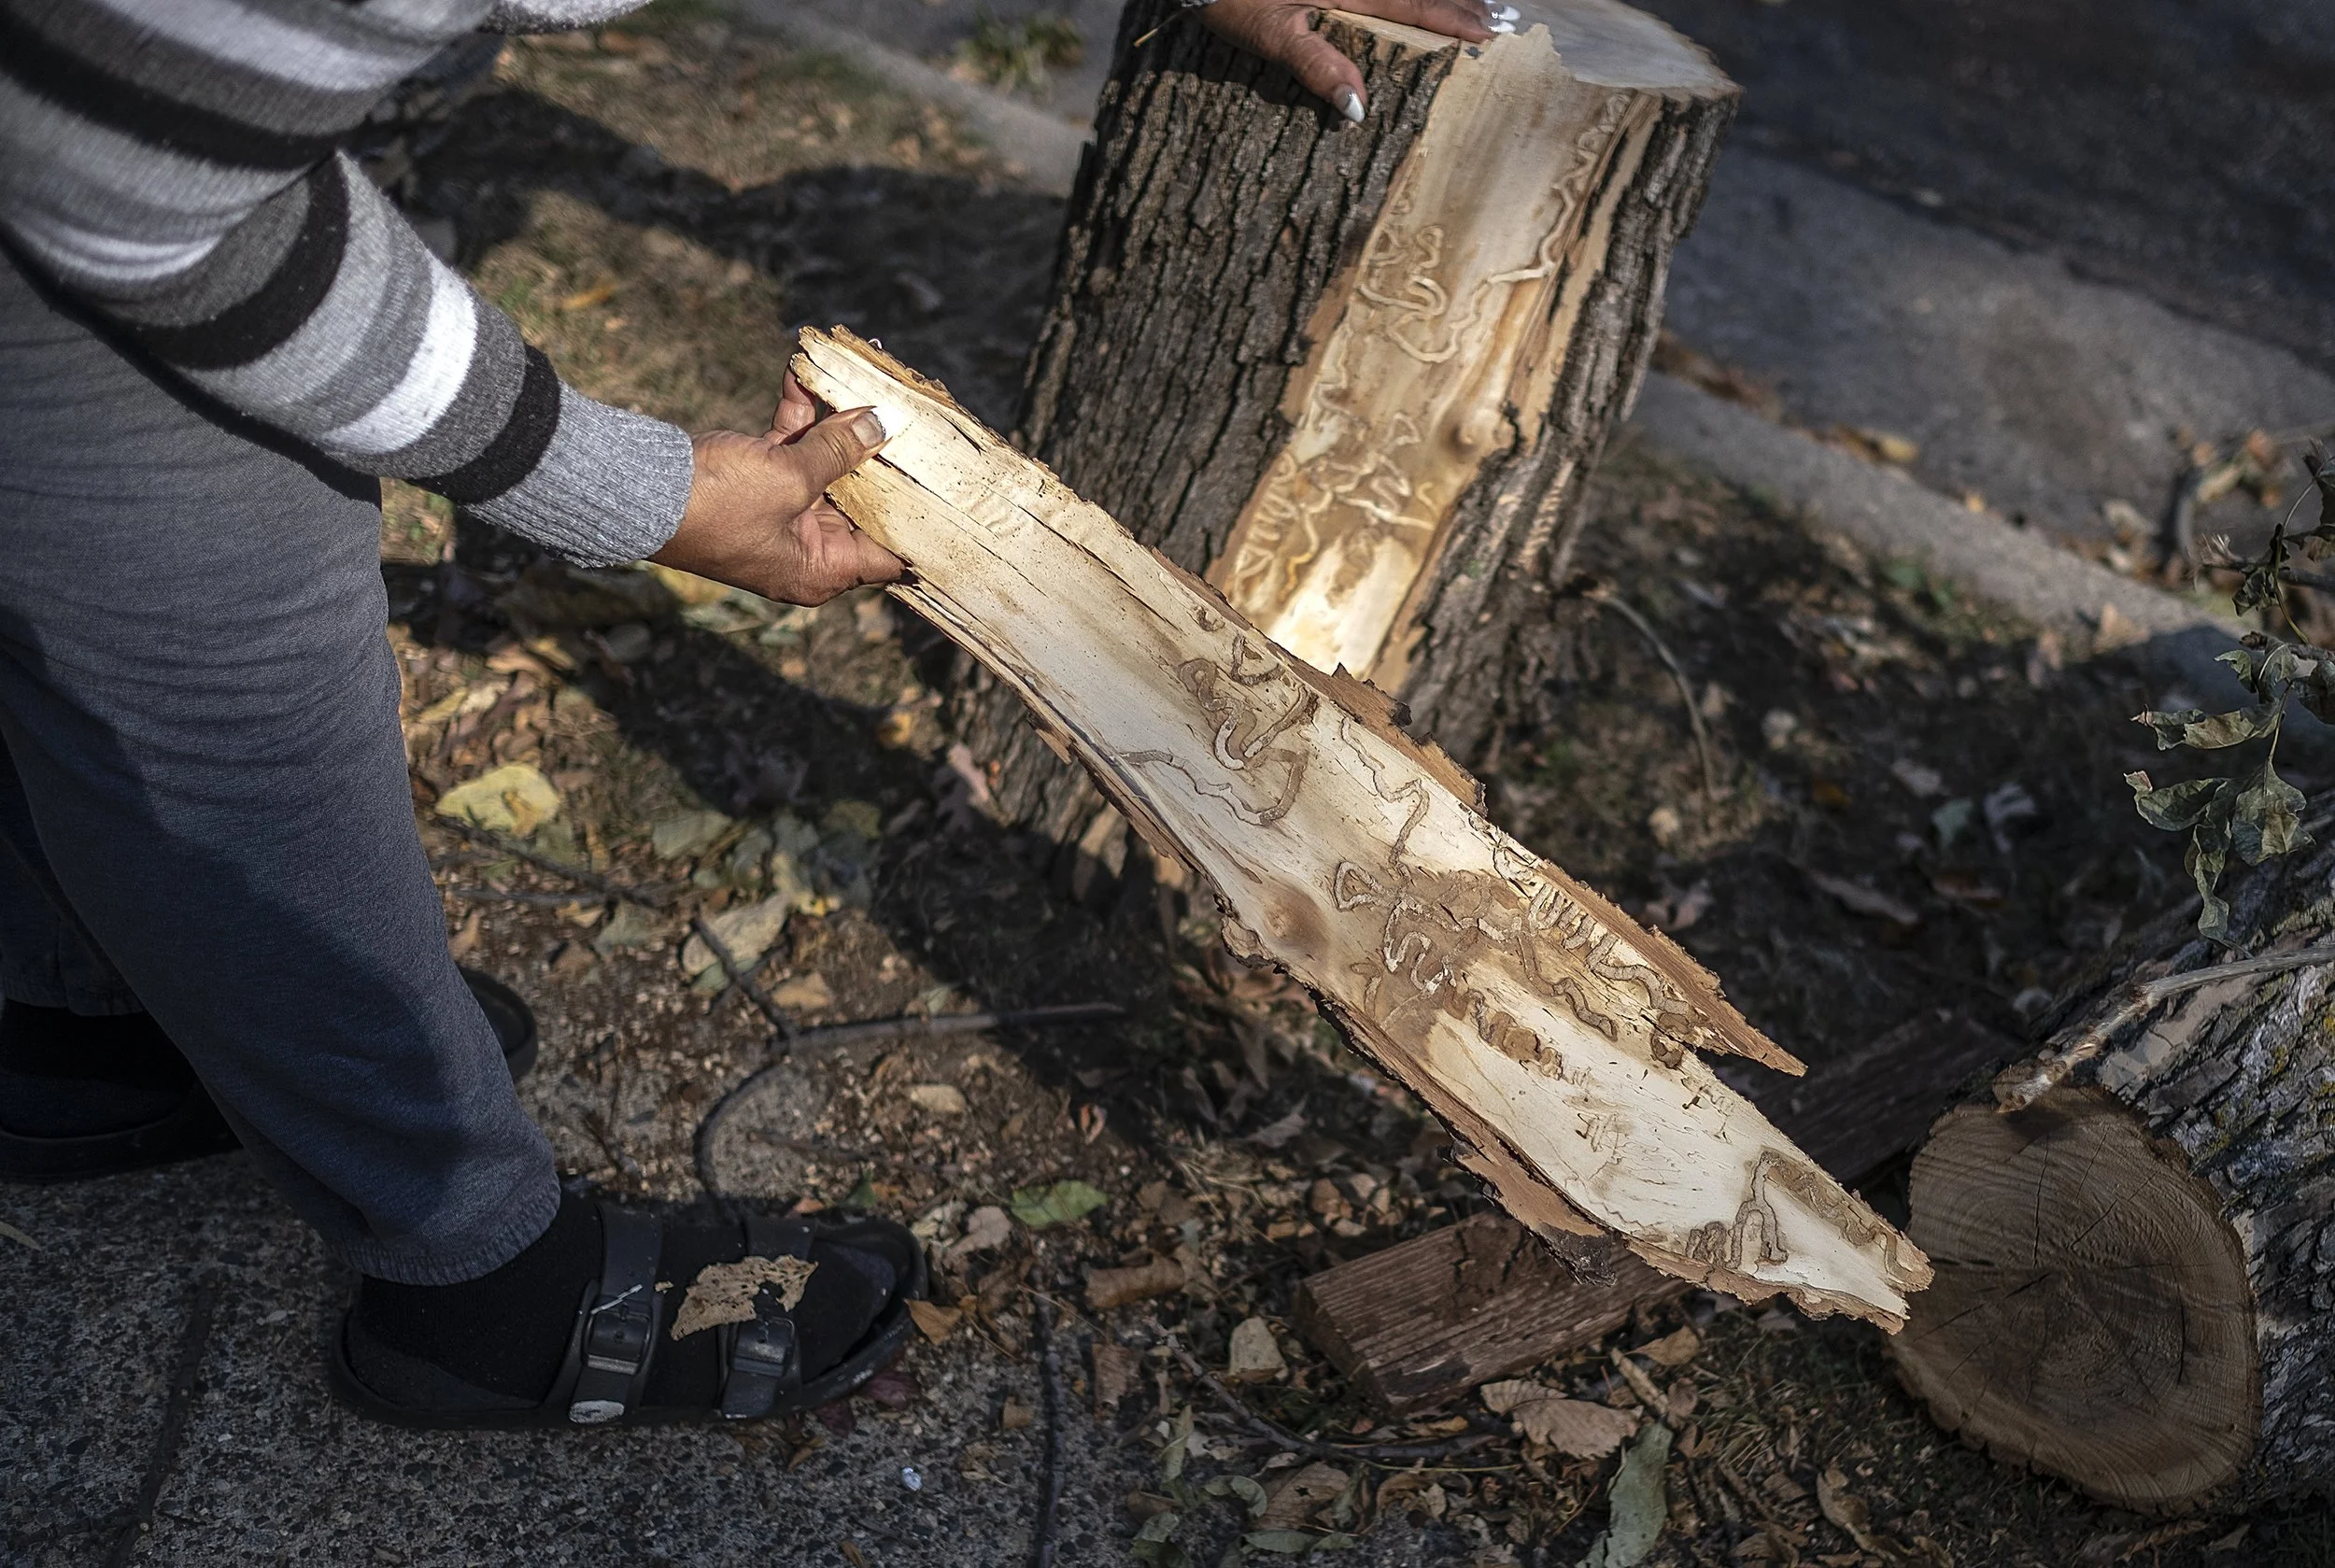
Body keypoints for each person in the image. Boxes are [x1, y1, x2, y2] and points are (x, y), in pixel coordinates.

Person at [0, 0, 1494, 1427]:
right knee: (225, 618)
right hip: (95, 154)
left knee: (92, 575)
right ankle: (477, 1290)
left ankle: (92, 1025)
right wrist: (627, 489)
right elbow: (134, 185)